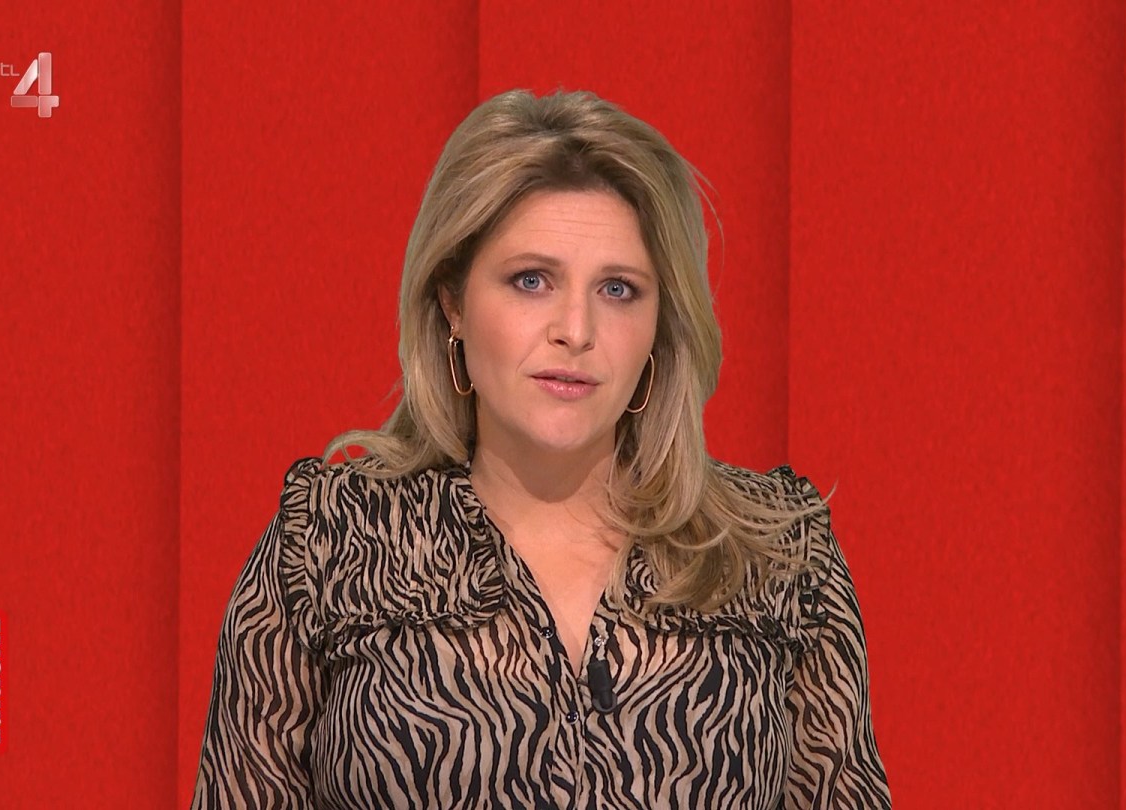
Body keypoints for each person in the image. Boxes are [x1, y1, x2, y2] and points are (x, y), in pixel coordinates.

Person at [191, 87, 892, 809]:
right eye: (532, 281)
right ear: (453, 302)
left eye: (618, 290)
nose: (575, 330)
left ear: (661, 324)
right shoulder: (327, 540)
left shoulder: (777, 553)